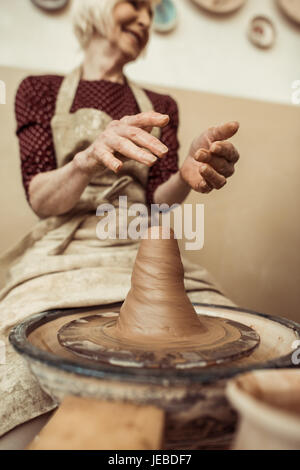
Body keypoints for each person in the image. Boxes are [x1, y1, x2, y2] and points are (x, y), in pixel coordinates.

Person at [0, 0, 240, 437]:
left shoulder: (160, 105)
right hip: (65, 245)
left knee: (231, 343)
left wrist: (186, 173)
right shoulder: (39, 89)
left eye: (153, 12)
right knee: (19, 356)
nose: (146, 20)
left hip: (137, 241)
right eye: (135, 4)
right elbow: (41, 198)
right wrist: (87, 159)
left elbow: (159, 206)